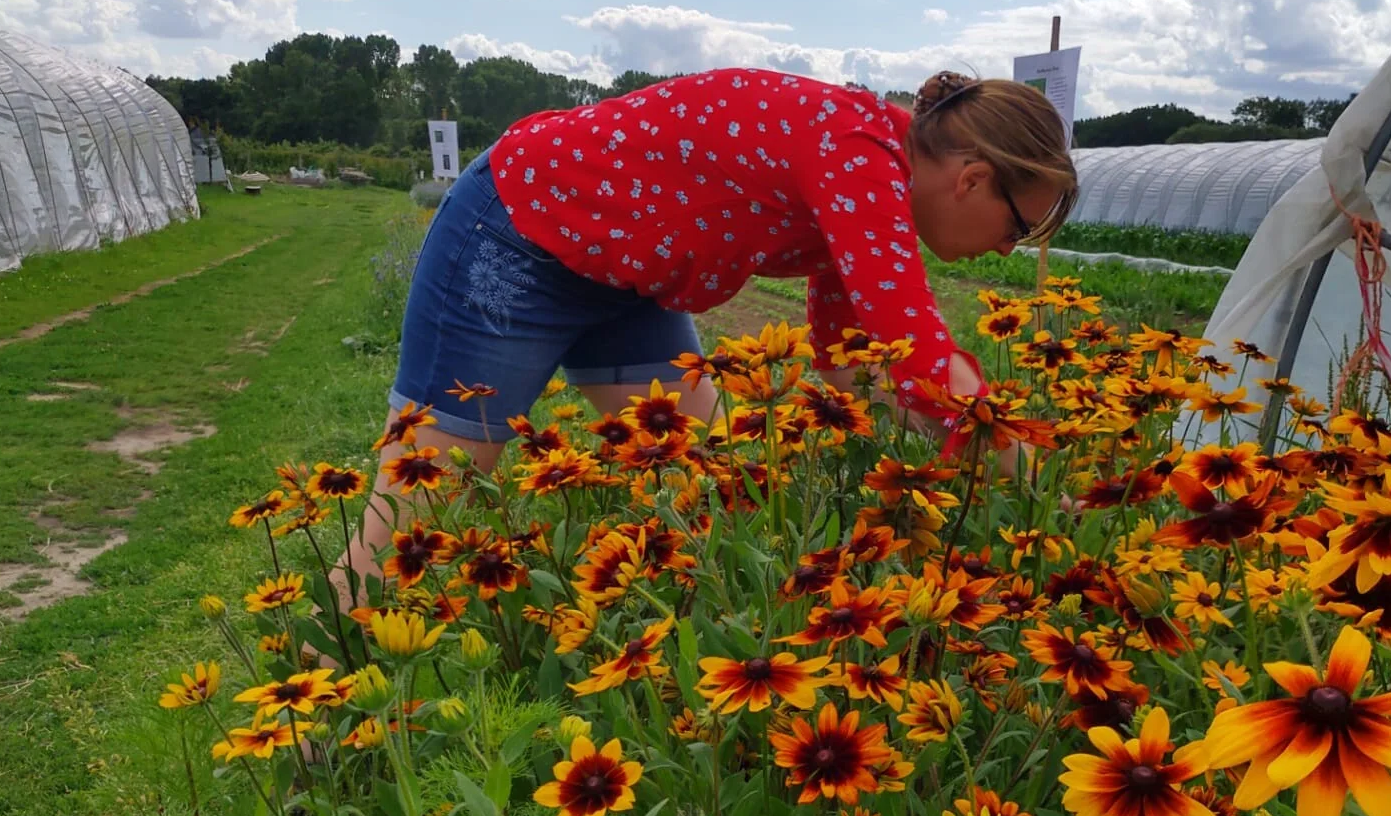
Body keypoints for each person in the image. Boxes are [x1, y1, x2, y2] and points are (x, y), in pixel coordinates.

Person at [343, 66, 1078, 588]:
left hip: (630, 278)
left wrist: (931, 477)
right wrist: (1039, 494)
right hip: (522, 229)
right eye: (1020, 225)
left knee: (718, 497)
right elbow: (919, 359)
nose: (1010, 249)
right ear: (973, 178)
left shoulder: (873, 164)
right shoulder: (859, 153)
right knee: (415, 516)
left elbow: (853, 361)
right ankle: (312, 741)